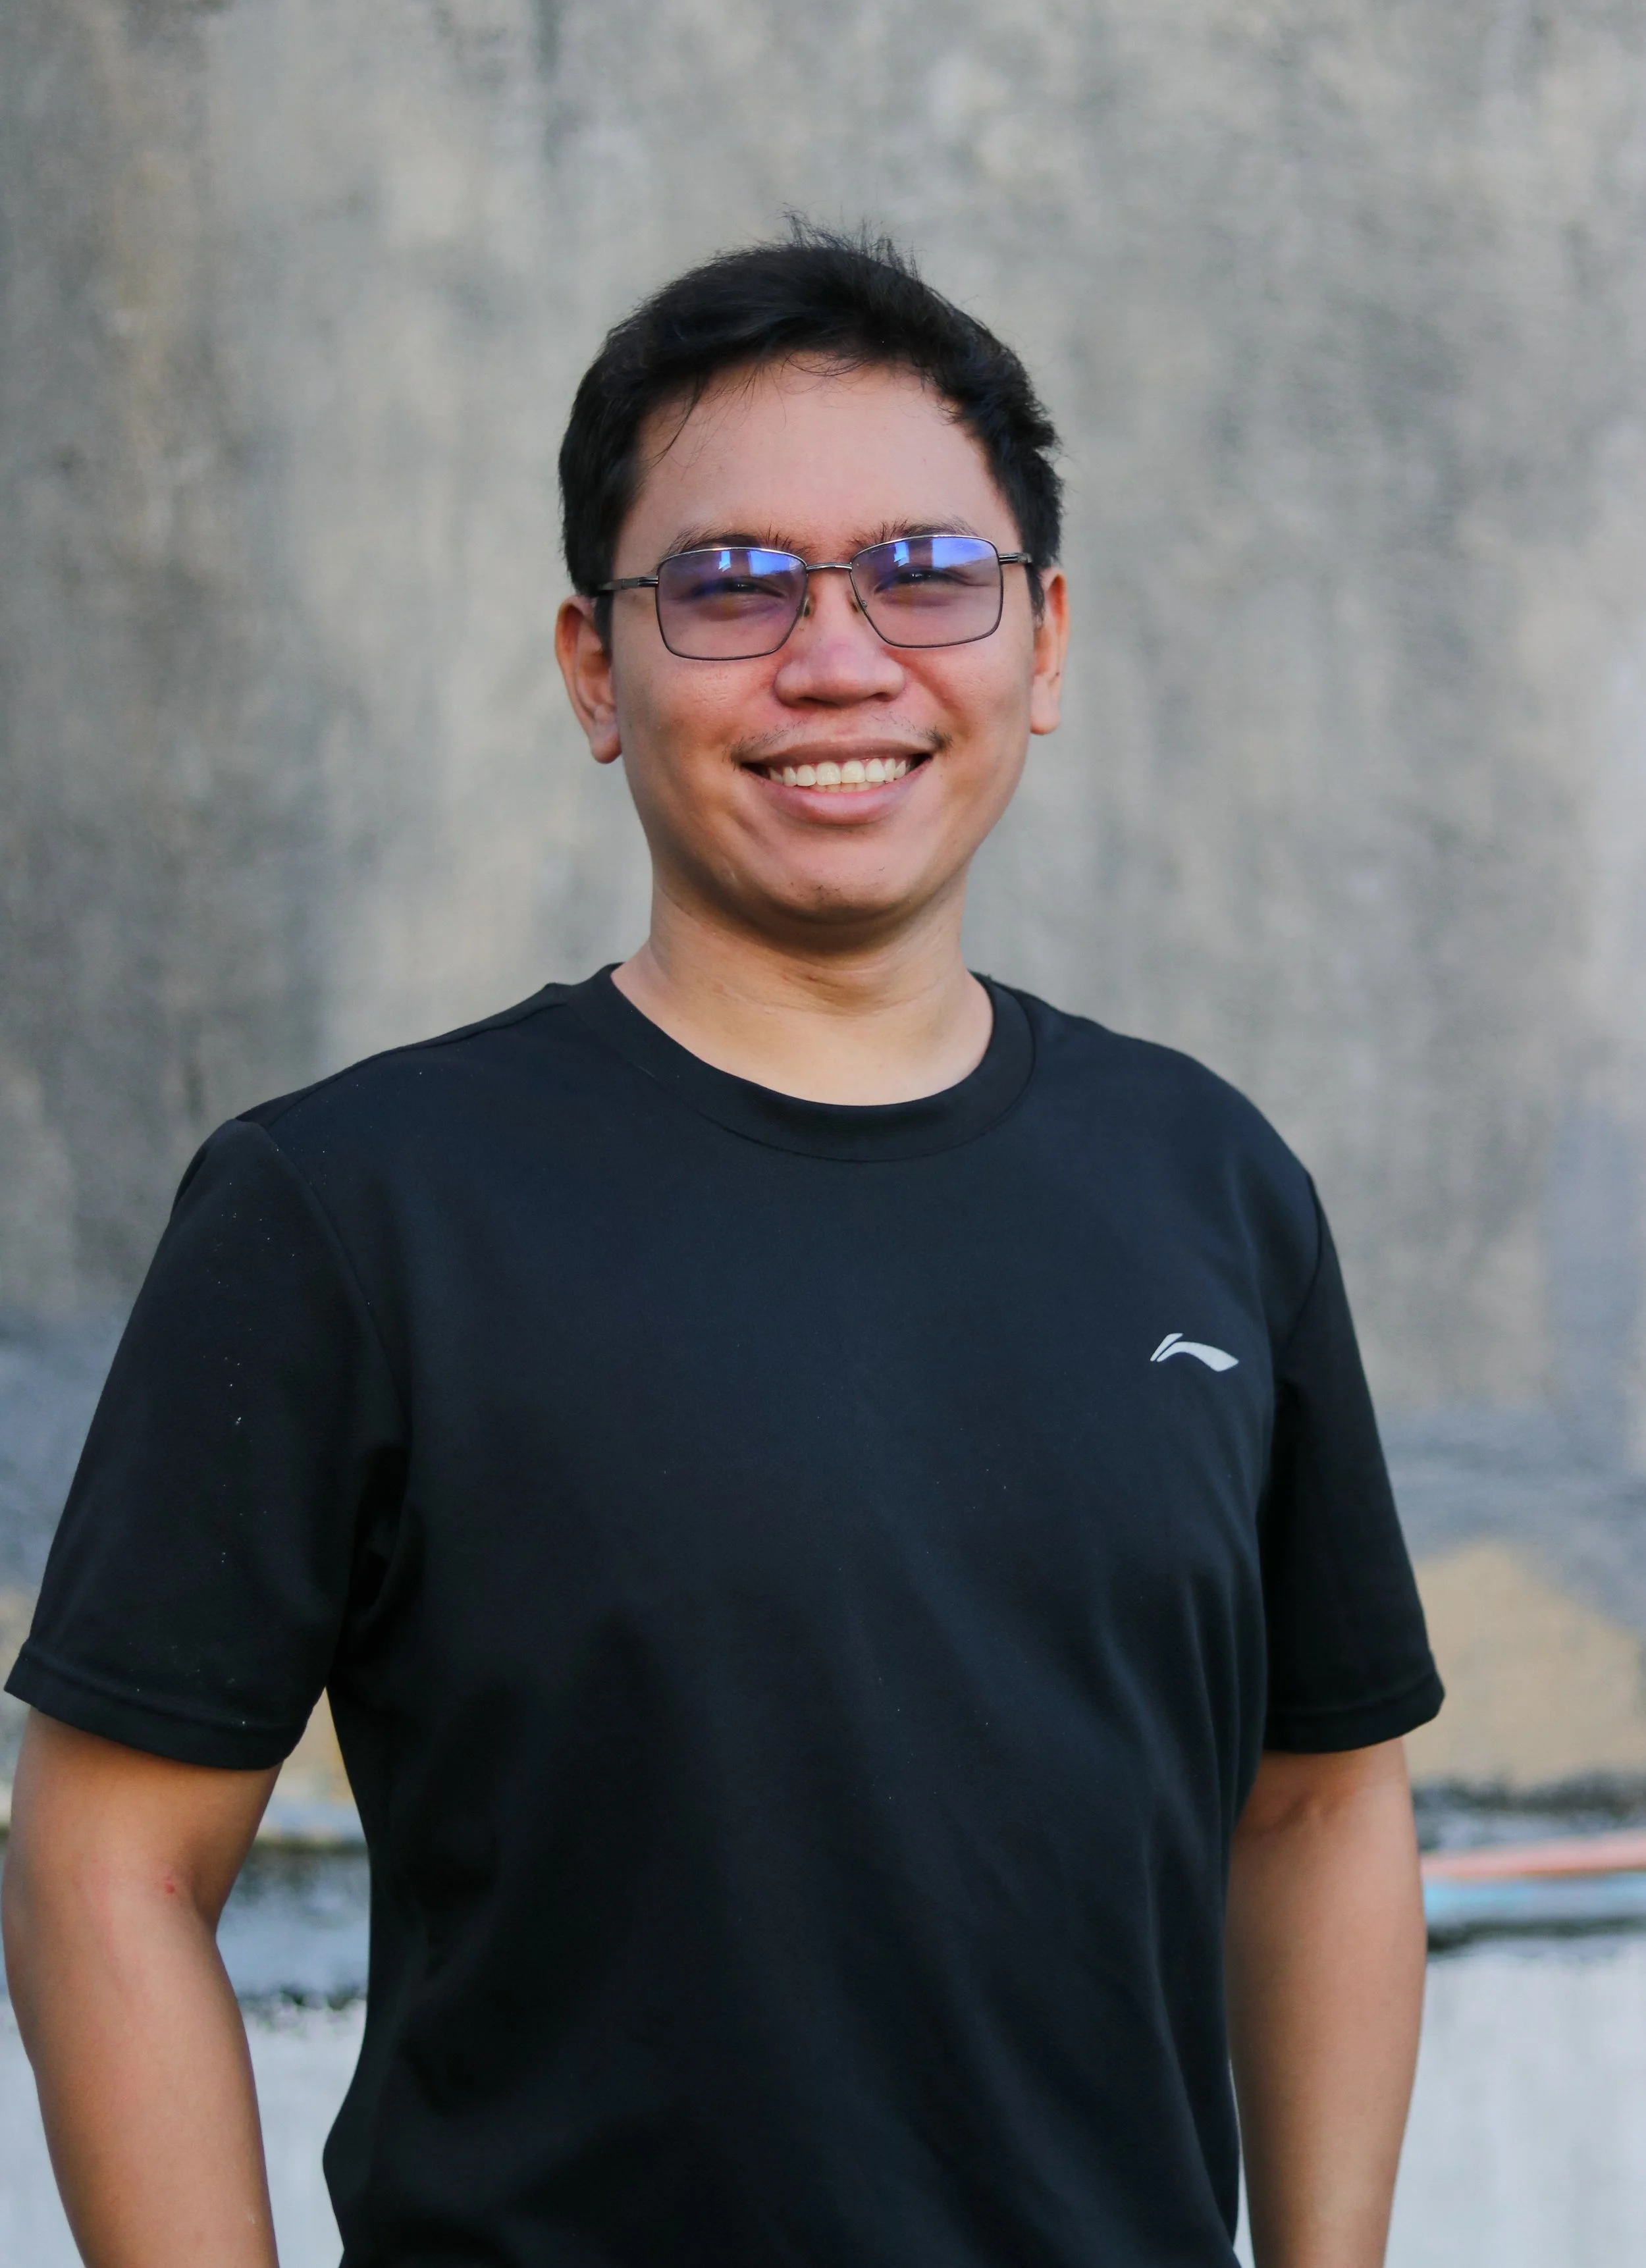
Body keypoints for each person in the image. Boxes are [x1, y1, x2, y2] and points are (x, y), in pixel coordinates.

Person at [4, 229, 1441, 2268]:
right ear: (596, 670)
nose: (837, 659)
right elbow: (106, 1869)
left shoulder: (1208, 1182)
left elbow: (1317, 1803)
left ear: (1042, 642)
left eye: (923, 572)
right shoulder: (351, 1208)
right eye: (731, 582)